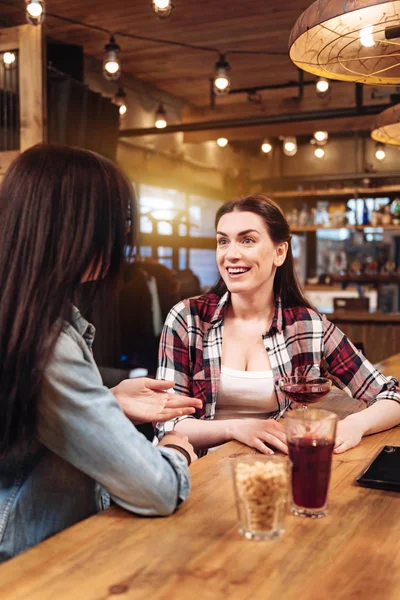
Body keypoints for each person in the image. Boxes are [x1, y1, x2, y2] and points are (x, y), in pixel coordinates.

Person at [0, 144, 201, 563]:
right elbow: (156, 489)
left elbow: (21, 423)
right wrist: (178, 449)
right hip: (34, 568)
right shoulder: (46, 341)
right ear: (73, 228)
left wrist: (107, 400)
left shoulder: (18, 317)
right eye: (117, 222)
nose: (121, 237)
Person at [157, 194, 400, 455]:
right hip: (193, 470)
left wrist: (355, 425)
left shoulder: (308, 326)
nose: (231, 254)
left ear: (279, 252)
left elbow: (392, 396)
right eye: (223, 241)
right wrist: (237, 428)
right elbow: (168, 424)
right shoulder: (187, 318)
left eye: (247, 240)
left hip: (270, 467)